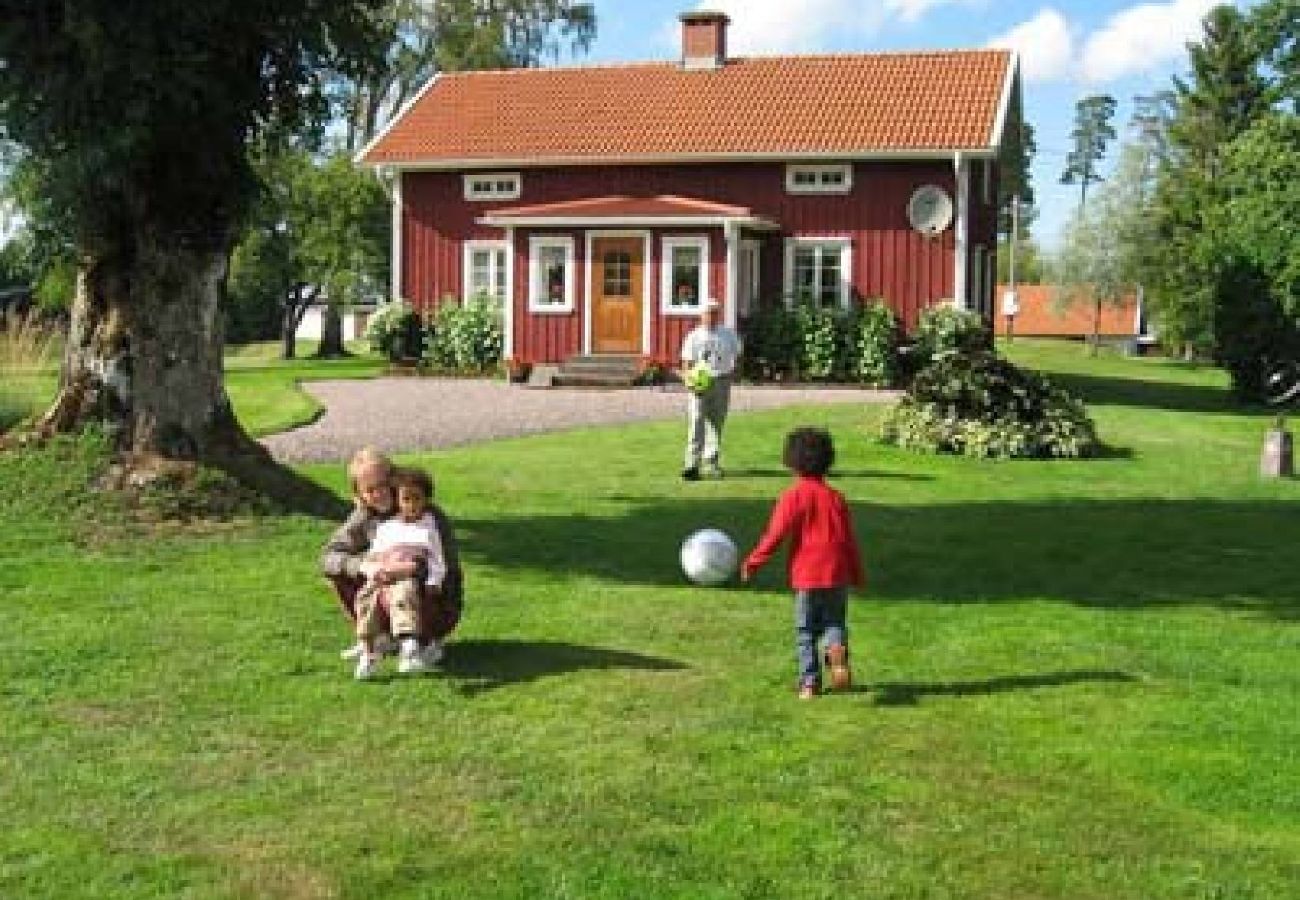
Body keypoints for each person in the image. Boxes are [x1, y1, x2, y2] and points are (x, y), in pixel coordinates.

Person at [740, 428, 865, 700]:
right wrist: (856, 573)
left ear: (791, 462)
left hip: (806, 575)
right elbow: (849, 540)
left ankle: (809, 683)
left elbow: (774, 535)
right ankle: (836, 649)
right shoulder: (836, 498)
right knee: (835, 622)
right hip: (837, 573)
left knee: (805, 630)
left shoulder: (792, 497)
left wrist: (753, 562)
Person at [320, 447, 463, 665]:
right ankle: (378, 637)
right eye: (370, 489)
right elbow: (328, 557)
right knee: (340, 574)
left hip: (435, 598)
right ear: (360, 495)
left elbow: (447, 567)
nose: (379, 494)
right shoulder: (365, 517)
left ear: (396, 480)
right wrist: (364, 567)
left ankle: (426, 640)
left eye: (384, 484)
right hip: (388, 587)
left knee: (402, 585)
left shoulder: (425, 514)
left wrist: (410, 567)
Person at [352, 467, 446, 679]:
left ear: (426, 500)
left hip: (407, 574)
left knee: (403, 595)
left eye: (417, 499)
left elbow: (437, 559)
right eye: (406, 499)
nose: (412, 505)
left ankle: (409, 646)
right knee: (365, 599)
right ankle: (368, 650)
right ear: (398, 501)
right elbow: (373, 554)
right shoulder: (387, 527)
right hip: (384, 572)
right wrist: (374, 570)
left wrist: (434, 580)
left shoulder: (428, 527)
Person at [679, 297, 741, 481]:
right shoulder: (694, 336)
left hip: (722, 381)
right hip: (700, 384)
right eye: (708, 313)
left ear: (719, 315)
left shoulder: (728, 335)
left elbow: (737, 356)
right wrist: (690, 382)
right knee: (697, 421)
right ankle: (691, 464)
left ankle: (712, 462)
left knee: (716, 423)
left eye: (715, 313)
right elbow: (687, 363)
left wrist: (733, 375)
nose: (711, 317)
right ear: (701, 315)